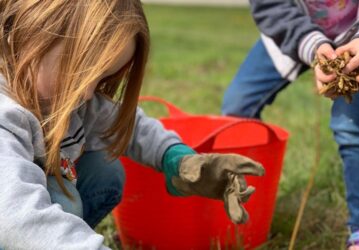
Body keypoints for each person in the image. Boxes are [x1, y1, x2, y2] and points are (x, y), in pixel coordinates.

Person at [0, 1, 265, 249]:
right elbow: (14, 215)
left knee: (105, 170)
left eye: (101, 77)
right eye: (80, 71)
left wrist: (179, 160)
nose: (88, 93)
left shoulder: (68, 99)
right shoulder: (6, 112)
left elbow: (131, 126)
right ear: (28, 30)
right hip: (11, 219)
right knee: (61, 195)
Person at [221, 1, 359, 249]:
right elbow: (269, 6)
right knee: (237, 108)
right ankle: (244, 211)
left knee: (353, 124)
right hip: (293, 27)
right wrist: (313, 45)